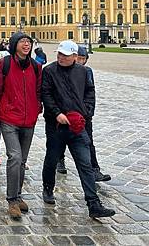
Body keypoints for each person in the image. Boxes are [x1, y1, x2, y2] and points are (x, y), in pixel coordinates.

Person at [41, 40, 115, 218]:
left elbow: (90, 92)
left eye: (65, 55)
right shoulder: (49, 71)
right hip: (56, 126)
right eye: (59, 54)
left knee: (85, 164)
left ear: (75, 56)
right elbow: (46, 94)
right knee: (52, 160)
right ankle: (48, 188)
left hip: (78, 126)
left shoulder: (83, 72)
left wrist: (87, 112)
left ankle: (93, 203)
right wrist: (57, 113)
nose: (60, 57)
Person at [0, 32, 42, 220]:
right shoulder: (4, 64)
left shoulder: (36, 66)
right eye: (23, 42)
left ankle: (17, 196)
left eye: (29, 42)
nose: (27, 45)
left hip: (29, 120)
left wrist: (37, 109)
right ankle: (12, 200)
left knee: (22, 161)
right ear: (14, 45)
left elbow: (38, 91)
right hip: (9, 118)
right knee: (15, 157)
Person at [58, 46, 111, 182]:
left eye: (83, 58)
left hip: (83, 114)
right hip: (66, 113)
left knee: (88, 142)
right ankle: (60, 161)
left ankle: (95, 170)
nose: (81, 61)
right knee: (61, 141)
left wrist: (88, 112)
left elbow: (90, 91)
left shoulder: (87, 71)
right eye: (79, 58)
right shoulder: (61, 69)